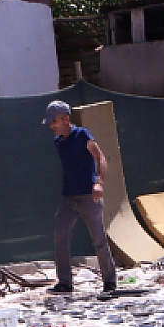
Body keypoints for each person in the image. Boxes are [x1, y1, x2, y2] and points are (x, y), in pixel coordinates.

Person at [43, 100, 117, 296]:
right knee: (60, 238)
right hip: (68, 198)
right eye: (50, 122)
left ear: (66, 119)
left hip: (88, 197)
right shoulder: (58, 141)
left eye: (54, 122)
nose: (51, 126)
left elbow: (100, 157)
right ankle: (65, 282)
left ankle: (110, 282)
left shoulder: (83, 134)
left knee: (99, 240)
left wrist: (99, 182)